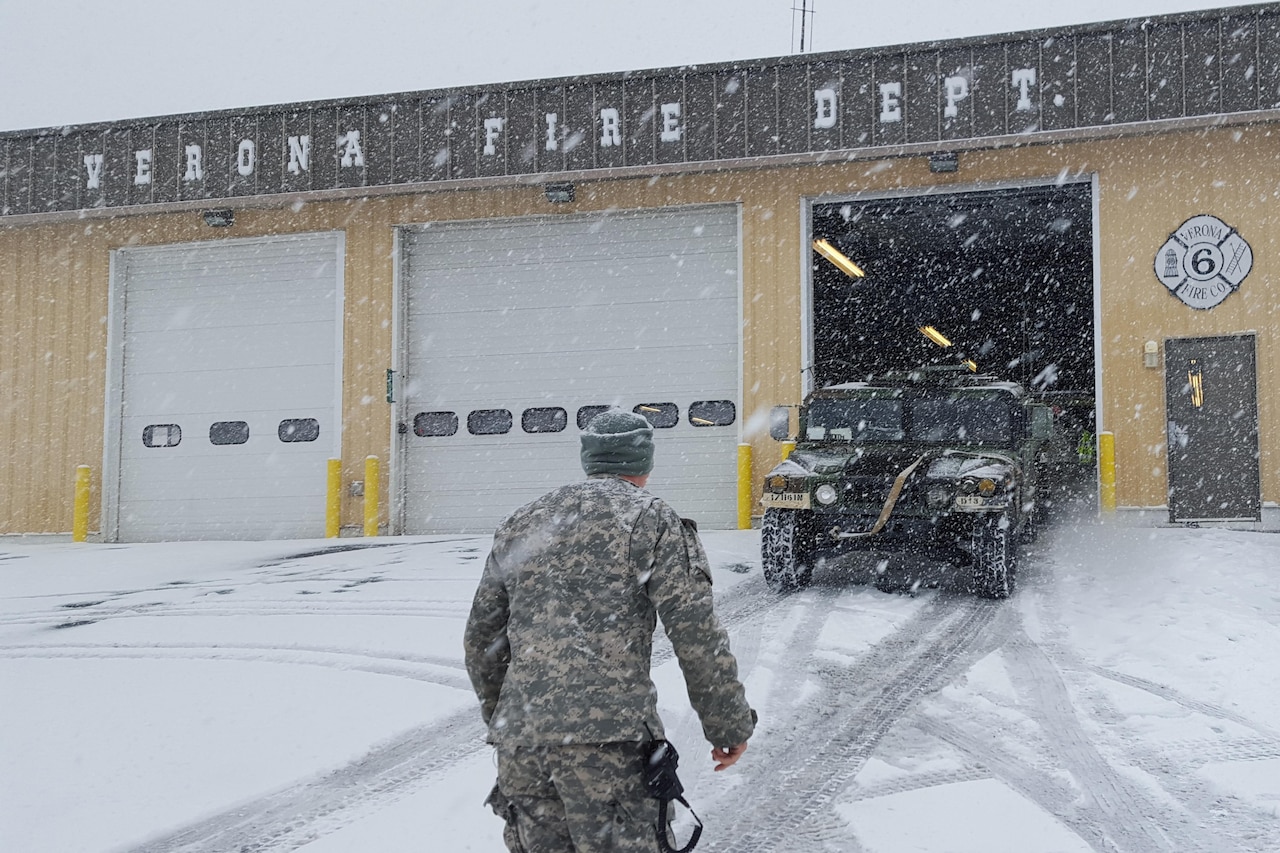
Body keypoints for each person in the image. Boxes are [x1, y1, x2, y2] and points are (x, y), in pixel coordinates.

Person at [464, 408, 757, 853]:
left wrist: (507, 720)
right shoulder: (651, 519)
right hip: (612, 746)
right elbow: (695, 633)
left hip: (524, 748)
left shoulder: (524, 521)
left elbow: (482, 638)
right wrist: (727, 725)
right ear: (644, 460)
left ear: (589, 457)